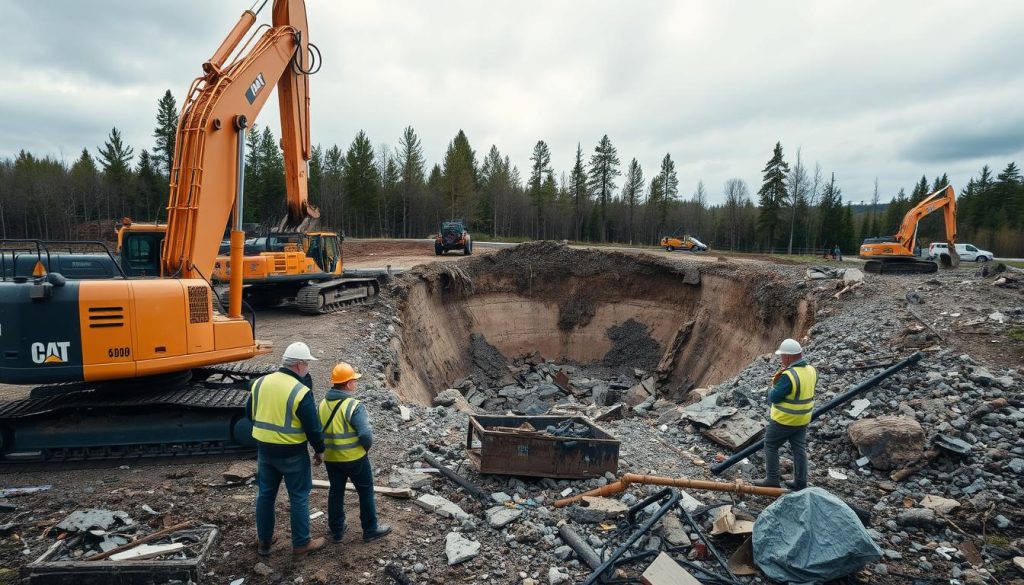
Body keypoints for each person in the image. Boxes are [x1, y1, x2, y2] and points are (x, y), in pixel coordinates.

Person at [247, 342, 327, 559]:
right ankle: (301, 544)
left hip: (264, 450)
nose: (308, 367)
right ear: (299, 365)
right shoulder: (300, 391)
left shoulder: (260, 382)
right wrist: (320, 450)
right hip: (292, 452)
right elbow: (312, 426)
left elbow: (249, 414)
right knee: (299, 497)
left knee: (265, 495)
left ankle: (264, 541)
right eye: (308, 363)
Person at [319, 362, 392, 543]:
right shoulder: (354, 406)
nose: (355, 383)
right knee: (365, 491)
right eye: (354, 380)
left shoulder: (322, 404)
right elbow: (366, 434)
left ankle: (336, 530)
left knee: (336, 491)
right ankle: (370, 529)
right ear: (349, 384)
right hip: (354, 458)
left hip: (332, 458)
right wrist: (364, 449)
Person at [754, 338, 817, 490]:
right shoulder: (811, 370)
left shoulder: (789, 375)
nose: (781, 358)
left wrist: (772, 388)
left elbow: (774, 397)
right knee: (799, 449)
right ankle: (801, 482)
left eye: (782, 356)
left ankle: (772, 479)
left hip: (785, 419)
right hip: (803, 419)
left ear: (788, 357)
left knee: (770, 445)